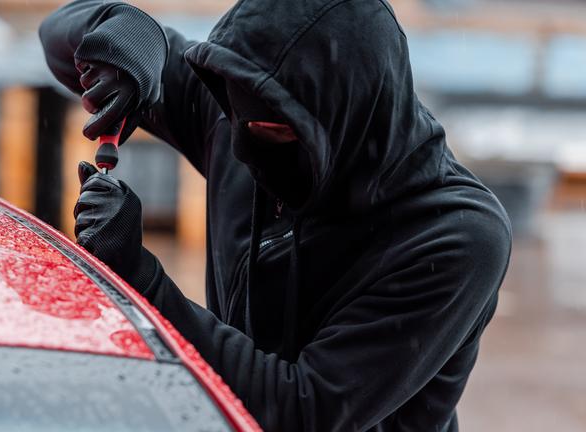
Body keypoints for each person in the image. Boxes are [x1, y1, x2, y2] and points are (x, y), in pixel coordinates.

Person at [39, 0, 512, 430]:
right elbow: (58, 38)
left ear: (339, 119)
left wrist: (145, 283)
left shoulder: (455, 236)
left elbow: (301, 411)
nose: (242, 149)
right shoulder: (239, 113)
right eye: (237, 119)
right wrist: (130, 37)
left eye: (270, 130)